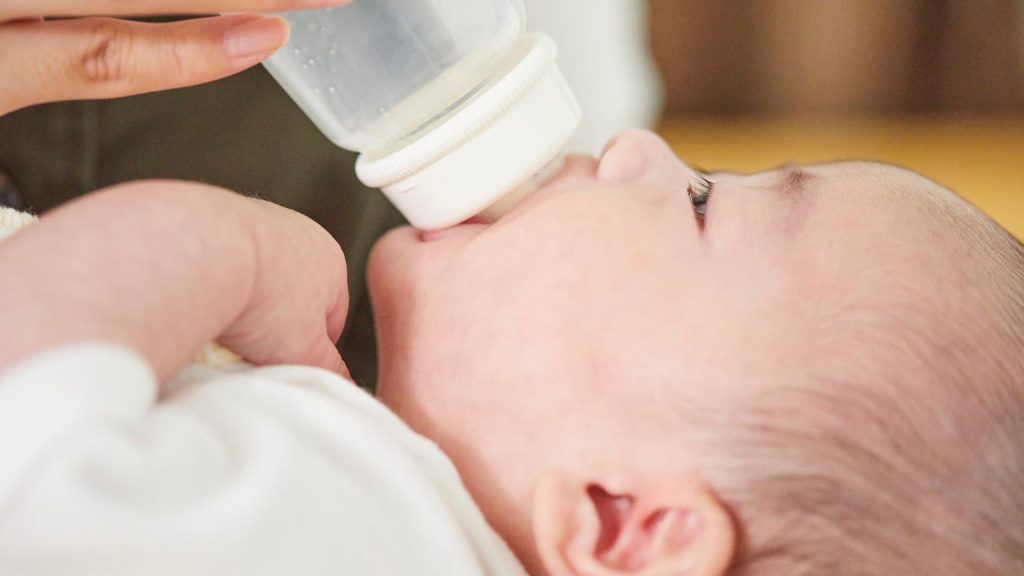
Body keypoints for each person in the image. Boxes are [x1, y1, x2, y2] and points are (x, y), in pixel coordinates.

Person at [1, 130, 1021, 575]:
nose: (635, 149)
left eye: (703, 202)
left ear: (626, 526)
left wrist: (218, 249)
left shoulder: (331, 533)